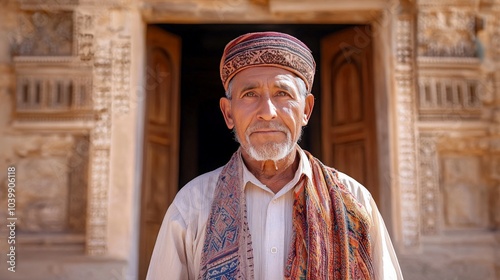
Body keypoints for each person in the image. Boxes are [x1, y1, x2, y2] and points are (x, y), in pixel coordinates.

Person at [146, 31, 403, 280]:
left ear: (307, 110)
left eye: (283, 94)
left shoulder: (354, 200)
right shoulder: (192, 204)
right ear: (228, 113)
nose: (267, 112)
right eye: (250, 94)